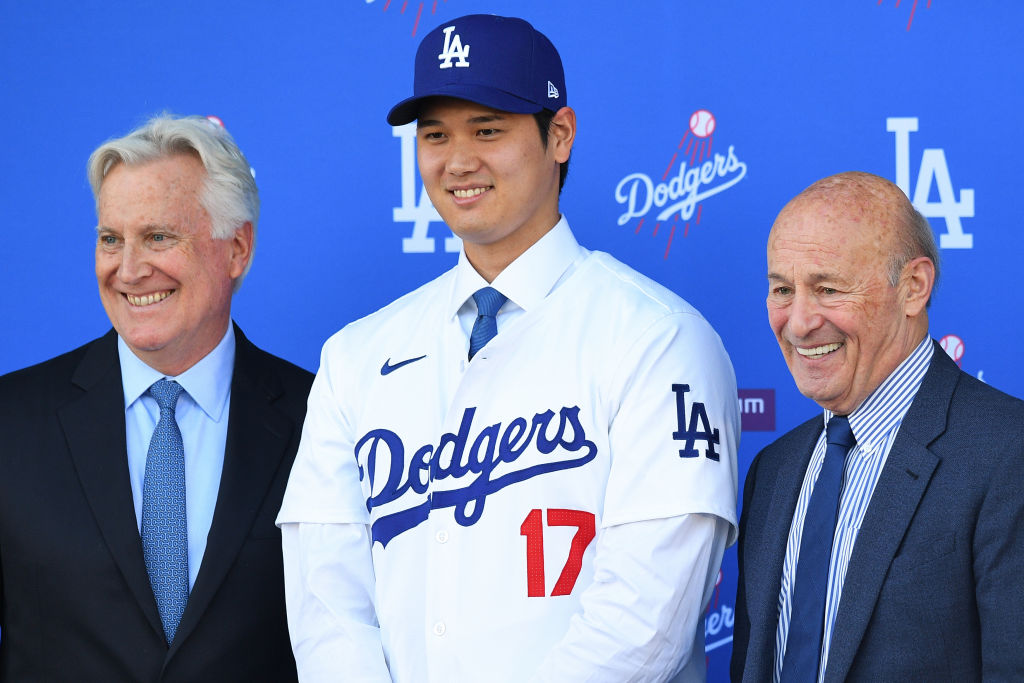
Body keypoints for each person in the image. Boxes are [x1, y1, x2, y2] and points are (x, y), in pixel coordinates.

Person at [277, 13, 739, 683]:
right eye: (435, 135)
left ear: (560, 135)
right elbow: (327, 602)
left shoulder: (659, 338)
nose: (458, 161)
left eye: (488, 129)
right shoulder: (356, 355)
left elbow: (645, 620)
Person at [0, 114, 312, 681]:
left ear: (236, 248)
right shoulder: (10, 421)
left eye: (159, 237)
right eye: (110, 240)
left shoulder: (321, 418)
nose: (128, 269)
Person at [731, 171, 1024, 681]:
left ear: (913, 288)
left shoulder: (1007, 453)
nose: (798, 322)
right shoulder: (773, 471)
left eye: (828, 288)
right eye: (782, 289)